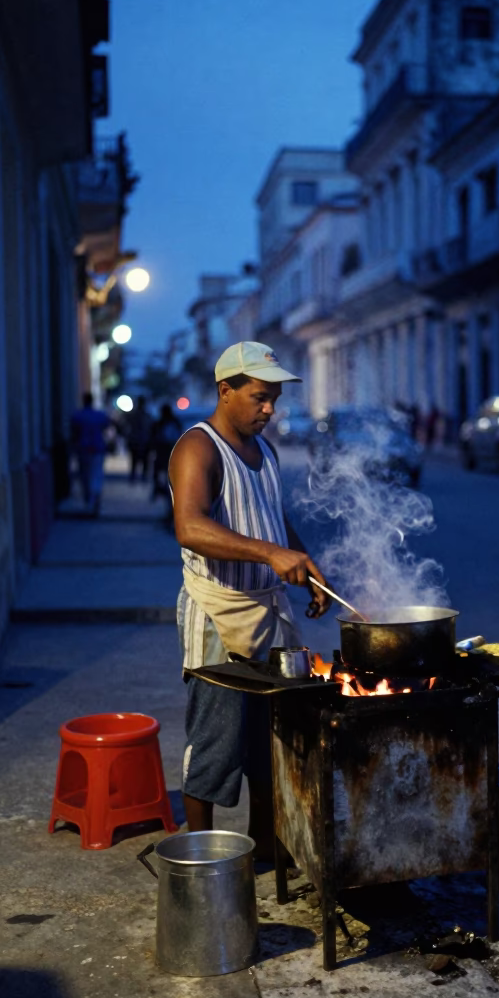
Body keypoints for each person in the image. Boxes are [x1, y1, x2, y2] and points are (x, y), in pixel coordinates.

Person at [168, 341, 330, 857]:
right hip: (218, 611)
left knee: (269, 738)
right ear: (226, 390)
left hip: (268, 611)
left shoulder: (266, 450)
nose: (270, 410)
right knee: (217, 741)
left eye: (274, 399)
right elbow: (190, 527)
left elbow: (273, 517)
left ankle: (267, 845)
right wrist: (269, 555)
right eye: (260, 397)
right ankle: (200, 857)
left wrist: (303, 562)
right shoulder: (198, 447)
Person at [70, 393, 112, 516]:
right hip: (97, 449)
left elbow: (74, 433)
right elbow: (107, 427)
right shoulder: (99, 416)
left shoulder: (78, 416)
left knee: (85, 477)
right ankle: (94, 501)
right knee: (96, 475)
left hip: (84, 449)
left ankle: (89, 501)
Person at [150, 403, 183, 501]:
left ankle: (161, 491)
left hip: (166, 454)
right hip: (167, 454)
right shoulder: (170, 423)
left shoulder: (162, 423)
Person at [124, 397, 153, 483]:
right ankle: (140, 476)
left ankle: (136, 476)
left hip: (139, 441)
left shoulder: (134, 415)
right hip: (141, 441)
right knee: (140, 460)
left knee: (136, 460)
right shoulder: (145, 416)